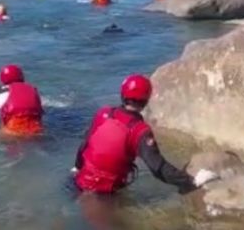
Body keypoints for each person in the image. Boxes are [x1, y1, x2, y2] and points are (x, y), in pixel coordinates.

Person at [72, 75, 218, 194]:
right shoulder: (139, 131)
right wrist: (191, 181)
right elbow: (158, 168)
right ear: (146, 100)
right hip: (104, 192)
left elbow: (84, 146)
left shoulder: (103, 113)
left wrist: (77, 167)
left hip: (78, 181)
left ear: (123, 95)